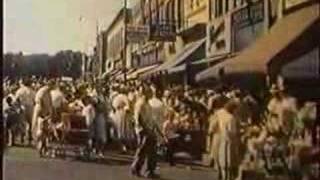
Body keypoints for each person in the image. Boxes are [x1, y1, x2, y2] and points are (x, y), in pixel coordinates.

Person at [131, 86, 164, 178]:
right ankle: (136, 168)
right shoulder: (140, 104)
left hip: (150, 129)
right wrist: (146, 130)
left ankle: (149, 170)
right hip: (144, 131)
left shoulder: (147, 103)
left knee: (151, 151)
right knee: (142, 151)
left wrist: (155, 128)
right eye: (150, 92)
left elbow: (150, 118)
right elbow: (139, 119)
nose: (152, 94)